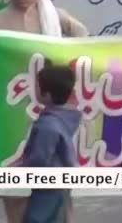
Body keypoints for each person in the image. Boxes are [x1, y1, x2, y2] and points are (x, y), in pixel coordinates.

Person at [0, 0, 87, 223]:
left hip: (50, 112)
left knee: (56, 192)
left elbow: (84, 38)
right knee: (16, 193)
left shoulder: (56, 16)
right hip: (14, 112)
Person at [19, 62, 81, 223]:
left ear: (46, 94)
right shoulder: (66, 118)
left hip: (47, 186)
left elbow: (40, 158)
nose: (35, 90)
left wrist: (20, 169)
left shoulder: (48, 125)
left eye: (38, 87)